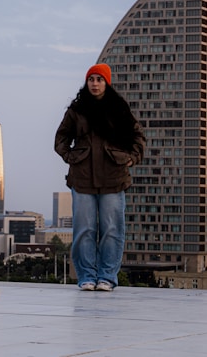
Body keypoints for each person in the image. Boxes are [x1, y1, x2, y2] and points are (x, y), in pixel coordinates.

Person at [54, 63, 145, 291]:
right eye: (91, 79)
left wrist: (132, 158)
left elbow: (138, 136)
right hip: (82, 178)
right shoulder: (76, 110)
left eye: (99, 79)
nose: (95, 84)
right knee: (84, 229)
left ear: (107, 82)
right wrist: (70, 157)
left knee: (112, 229)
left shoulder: (119, 109)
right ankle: (86, 276)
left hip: (114, 177)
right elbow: (61, 138)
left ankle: (107, 277)